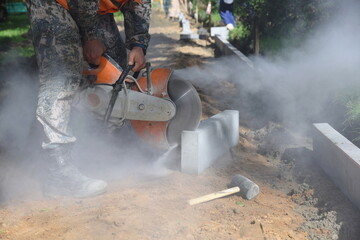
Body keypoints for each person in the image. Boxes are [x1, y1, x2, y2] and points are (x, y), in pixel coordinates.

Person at [25, 0, 151, 198]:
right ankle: (58, 171)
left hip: (94, 8)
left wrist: (138, 43)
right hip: (56, 4)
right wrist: (90, 37)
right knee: (62, 75)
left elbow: (139, 3)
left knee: (116, 66)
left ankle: (106, 146)